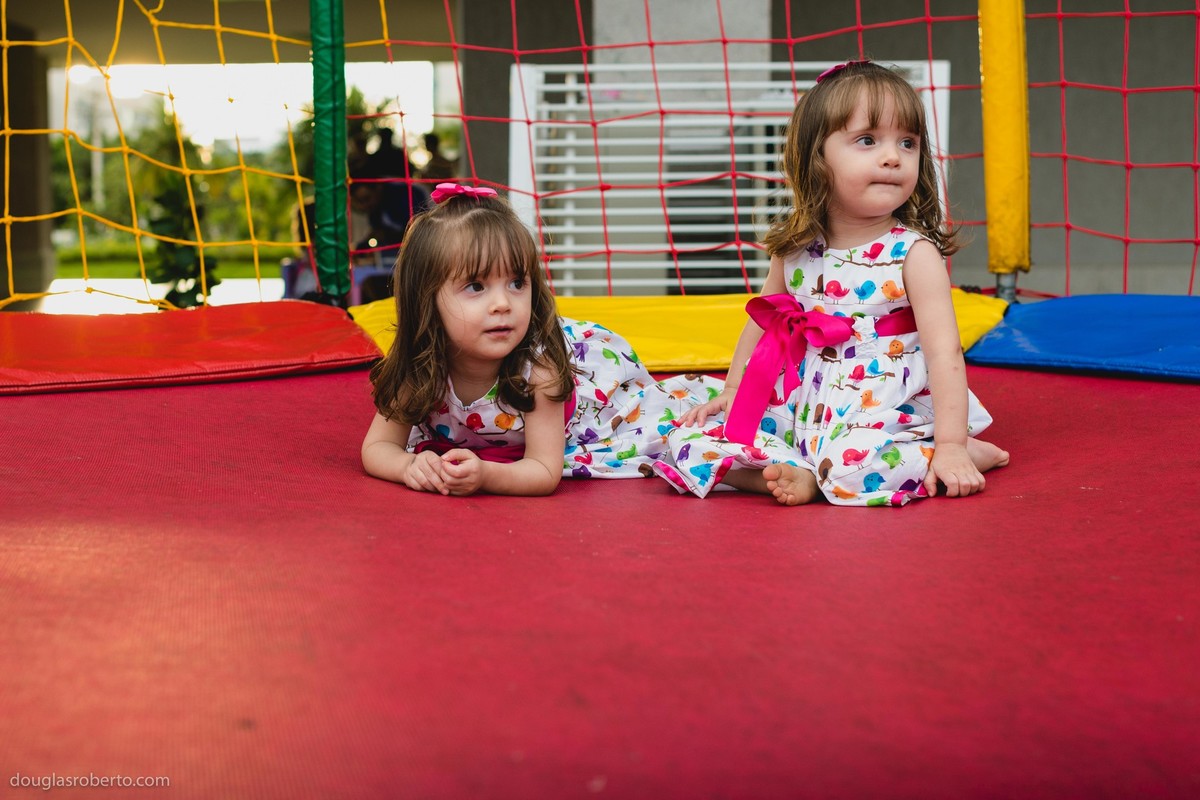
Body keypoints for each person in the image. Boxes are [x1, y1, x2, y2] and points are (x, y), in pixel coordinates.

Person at [652, 60, 1009, 507]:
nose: (893, 156)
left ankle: (937, 452)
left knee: (852, 468)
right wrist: (732, 391)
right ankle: (799, 473)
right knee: (685, 440)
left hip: (874, 409)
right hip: (800, 399)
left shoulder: (912, 253)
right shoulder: (796, 247)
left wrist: (953, 444)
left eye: (908, 142)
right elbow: (765, 325)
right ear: (816, 157)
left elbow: (945, 354)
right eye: (867, 140)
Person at [362, 182, 722, 496]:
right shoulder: (419, 363)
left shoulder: (541, 368)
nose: (503, 303)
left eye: (517, 283)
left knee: (687, 434)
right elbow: (378, 446)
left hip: (601, 410)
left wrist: (486, 474)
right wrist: (408, 467)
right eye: (476, 286)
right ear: (426, 300)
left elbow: (543, 470)